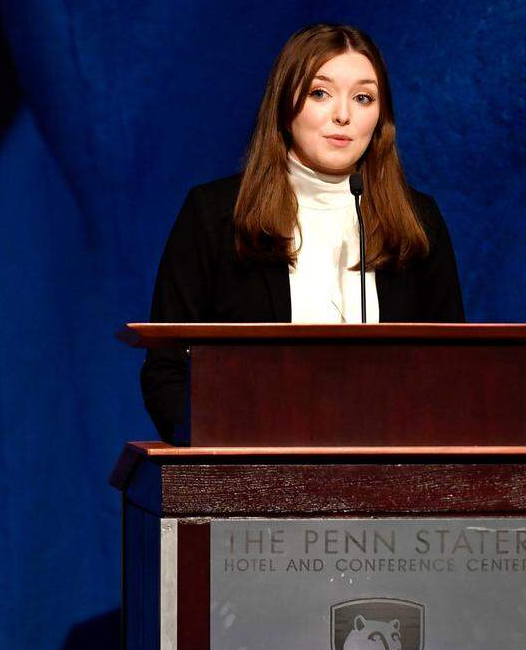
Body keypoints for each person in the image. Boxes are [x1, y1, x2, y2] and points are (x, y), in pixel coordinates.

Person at [142, 23, 465, 443]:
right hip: (251, 470)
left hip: (389, 468)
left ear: (381, 117)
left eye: (363, 98)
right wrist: (218, 447)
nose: (343, 115)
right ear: (284, 105)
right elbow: (167, 369)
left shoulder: (418, 219)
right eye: (320, 93)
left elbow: (453, 372)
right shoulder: (215, 214)